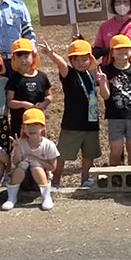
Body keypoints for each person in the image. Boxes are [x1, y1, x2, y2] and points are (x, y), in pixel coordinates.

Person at [40, 39, 106, 188]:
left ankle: (85, 180)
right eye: (76, 60)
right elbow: (61, 64)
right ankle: (56, 182)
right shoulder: (68, 74)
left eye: (85, 59)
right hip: (72, 123)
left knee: (89, 154)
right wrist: (51, 54)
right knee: (62, 154)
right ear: (71, 60)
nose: (81, 63)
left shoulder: (92, 74)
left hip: (91, 120)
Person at [100, 35, 131, 165]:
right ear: (112, 52)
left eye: (126, 49)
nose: (123, 52)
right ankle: (116, 178)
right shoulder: (106, 70)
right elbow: (105, 96)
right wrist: (103, 83)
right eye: (118, 49)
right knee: (116, 150)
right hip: (115, 116)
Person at [4, 108, 59, 211]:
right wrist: (16, 149)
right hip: (23, 181)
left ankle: (46, 197)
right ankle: (11, 198)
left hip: (40, 181)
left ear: (42, 127)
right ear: (23, 128)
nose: (31, 128)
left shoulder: (48, 145)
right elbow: (16, 163)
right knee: (22, 165)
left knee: (35, 165)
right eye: (28, 125)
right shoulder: (20, 142)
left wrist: (36, 160)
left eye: (35, 125)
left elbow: (53, 167)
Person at [6, 38, 52, 138]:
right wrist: (24, 104)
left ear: (33, 56)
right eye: (19, 56)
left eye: (26, 56)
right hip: (19, 124)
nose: (23, 60)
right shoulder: (14, 78)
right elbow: (9, 102)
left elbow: (49, 95)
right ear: (13, 58)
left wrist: (44, 104)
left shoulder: (42, 76)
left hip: (38, 122)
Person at [93, 0, 131, 67]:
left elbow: (123, 46)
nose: (122, 5)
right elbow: (96, 52)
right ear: (113, 4)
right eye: (118, 2)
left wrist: (104, 51)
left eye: (125, 2)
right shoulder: (104, 26)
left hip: (129, 70)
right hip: (108, 71)